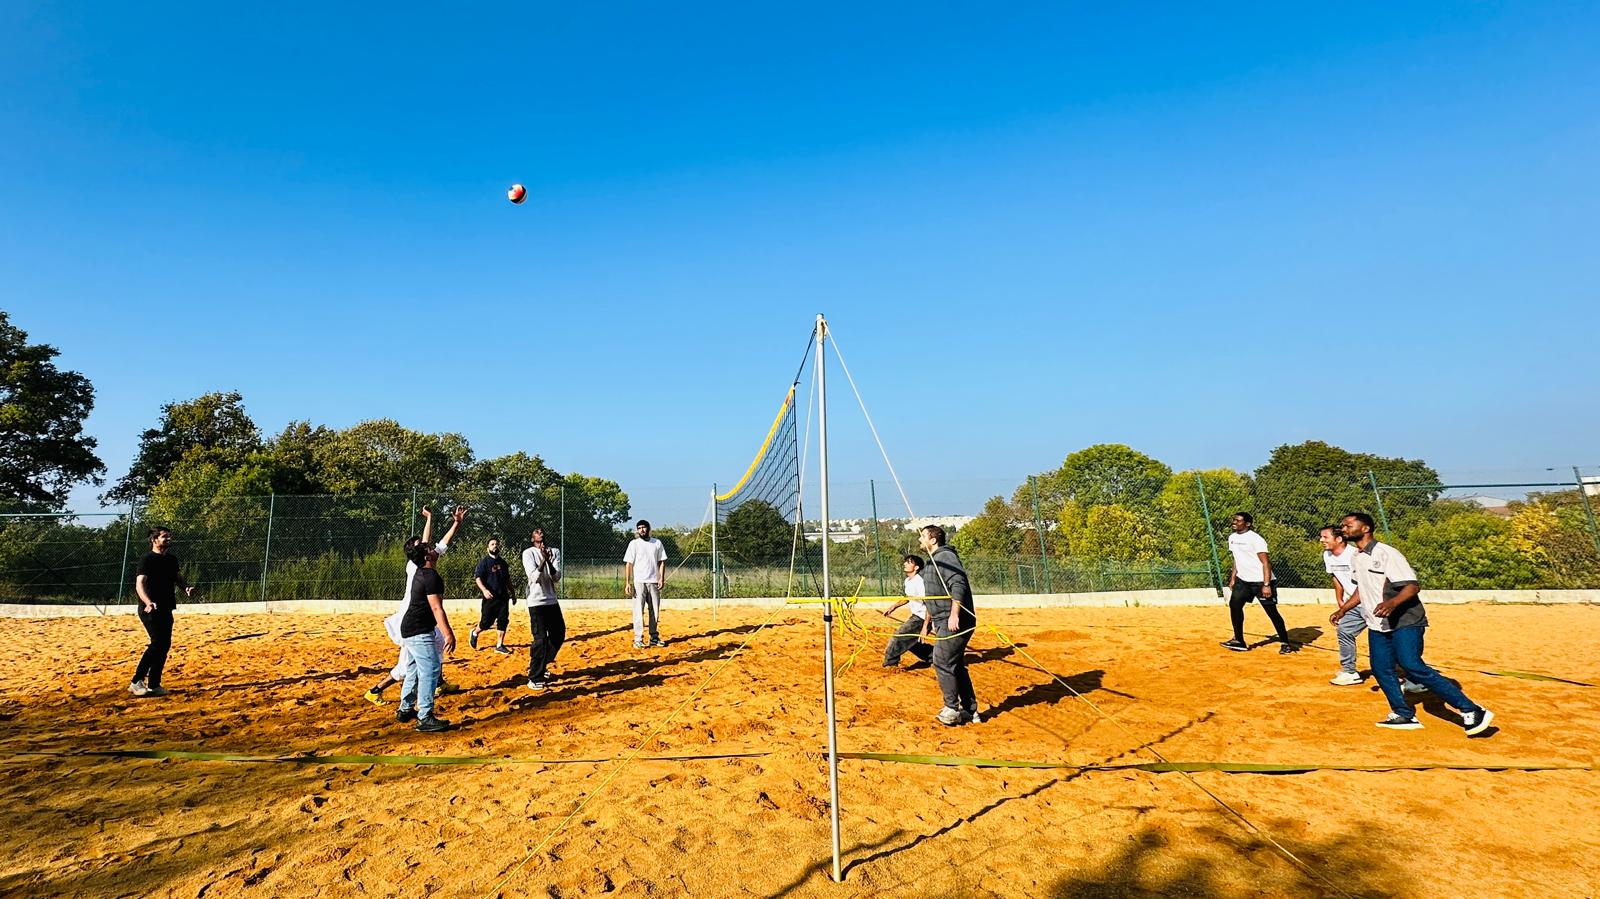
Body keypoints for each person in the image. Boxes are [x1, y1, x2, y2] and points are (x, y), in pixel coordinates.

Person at [1340, 513, 1494, 735]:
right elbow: (1361, 588)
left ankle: (1472, 710)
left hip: (1406, 620)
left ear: (1365, 529)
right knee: (1381, 668)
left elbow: (1412, 586)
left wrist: (1392, 603)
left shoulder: (1387, 554)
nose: (1343, 528)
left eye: (1348, 524)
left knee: (1411, 664)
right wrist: (1344, 609)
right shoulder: (1356, 556)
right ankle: (1403, 713)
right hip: (1378, 624)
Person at [364, 505, 465, 704]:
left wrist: (453, 522)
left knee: (437, 644)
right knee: (405, 667)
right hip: (411, 620)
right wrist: (430, 519)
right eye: (421, 544)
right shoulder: (415, 564)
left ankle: (438, 683)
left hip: (421, 618)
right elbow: (430, 543)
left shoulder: (423, 560)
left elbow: (441, 543)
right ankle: (375, 690)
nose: (426, 544)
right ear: (417, 552)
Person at [1322, 525, 1423, 693]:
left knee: (1394, 642)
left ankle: (1414, 678)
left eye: (1325, 537)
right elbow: (1336, 577)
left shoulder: (1356, 554)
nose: (1321, 540)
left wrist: (1389, 602)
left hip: (1377, 604)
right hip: (1355, 603)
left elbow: (1370, 582)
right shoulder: (1328, 555)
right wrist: (1341, 601)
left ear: (1338, 539)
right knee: (1345, 630)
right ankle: (1350, 672)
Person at [918, 525, 980, 725]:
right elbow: (933, 596)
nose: (920, 540)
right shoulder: (932, 562)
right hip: (942, 620)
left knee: (942, 660)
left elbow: (958, 584)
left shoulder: (945, 557)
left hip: (955, 621)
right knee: (954, 664)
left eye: (923, 536)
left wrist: (955, 614)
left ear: (933, 539)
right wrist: (928, 623)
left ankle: (952, 709)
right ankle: (970, 711)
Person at [396, 537, 455, 732]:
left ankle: (405, 709)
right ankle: (425, 716)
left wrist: (456, 524)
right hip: (419, 630)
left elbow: (439, 547)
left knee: (413, 670)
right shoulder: (430, 576)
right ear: (426, 555)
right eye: (430, 548)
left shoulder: (420, 571)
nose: (434, 550)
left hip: (410, 628)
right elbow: (437, 608)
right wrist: (448, 634)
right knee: (430, 669)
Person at [130, 527, 195, 697]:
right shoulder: (147, 559)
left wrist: (185, 588)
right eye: (164, 537)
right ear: (154, 540)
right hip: (149, 609)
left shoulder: (171, 559)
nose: (168, 539)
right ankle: (136, 681)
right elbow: (140, 584)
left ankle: (154, 684)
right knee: (157, 643)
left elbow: (177, 578)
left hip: (166, 607)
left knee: (164, 645)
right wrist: (148, 601)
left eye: (169, 537)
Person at [1219, 512, 1296, 654]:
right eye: (1233, 520)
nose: (1234, 522)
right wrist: (1233, 577)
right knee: (1234, 606)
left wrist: (1266, 585)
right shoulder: (1232, 538)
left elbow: (1266, 562)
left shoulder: (1256, 539)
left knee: (1271, 612)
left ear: (1247, 524)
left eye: (1238, 520)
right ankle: (1239, 640)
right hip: (1243, 580)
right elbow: (1236, 558)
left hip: (1261, 581)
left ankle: (1285, 642)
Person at [522, 527, 564, 690]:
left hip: (551, 600)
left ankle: (543, 663)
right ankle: (534, 677)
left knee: (558, 634)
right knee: (540, 639)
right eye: (536, 532)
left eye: (542, 531)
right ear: (532, 538)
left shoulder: (554, 551)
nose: (540, 532)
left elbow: (556, 577)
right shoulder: (528, 553)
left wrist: (548, 560)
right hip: (536, 601)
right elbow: (534, 577)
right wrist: (543, 561)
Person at [881, 554, 934, 668]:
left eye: (909, 562)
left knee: (898, 637)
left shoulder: (920, 582)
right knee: (911, 643)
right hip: (916, 616)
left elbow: (929, 604)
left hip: (923, 618)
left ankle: (890, 664)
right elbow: (908, 597)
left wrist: (925, 626)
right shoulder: (908, 581)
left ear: (916, 567)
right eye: (905, 562)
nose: (905, 564)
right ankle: (936, 657)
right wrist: (893, 607)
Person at [622, 519, 667, 649]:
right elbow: (629, 564)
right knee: (638, 611)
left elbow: (662, 561)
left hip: (653, 582)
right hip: (639, 582)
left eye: (644, 527)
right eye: (639, 528)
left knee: (655, 611)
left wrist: (661, 578)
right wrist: (628, 582)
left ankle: (654, 637)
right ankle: (638, 639)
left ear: (648, 528)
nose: (642, 529)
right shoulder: (634, 544)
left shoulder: (657, 543)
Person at [470, 536, 514, 655]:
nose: (495, 546)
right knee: (486, 623)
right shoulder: (484, 563)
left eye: (496, 544)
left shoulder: (503, 563)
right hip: (490, 598)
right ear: (487, 547)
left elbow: (508, 579)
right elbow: (478, 578)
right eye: (492, 544)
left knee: (503, 620)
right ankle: (474, 633)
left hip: (503, 597)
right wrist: (484, 590)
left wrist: (513, 593)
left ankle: (499, 645)